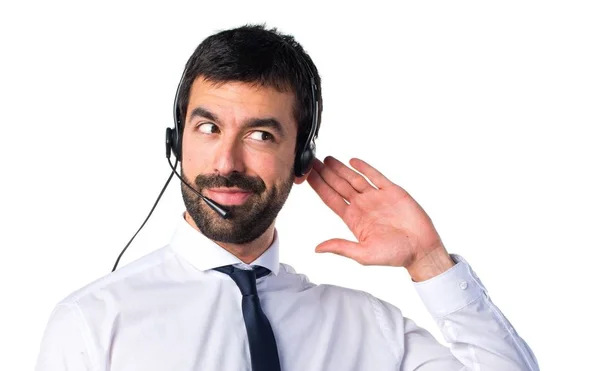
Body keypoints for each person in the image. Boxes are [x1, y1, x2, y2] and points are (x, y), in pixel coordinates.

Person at [35, 24, 539, 371]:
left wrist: (430, 262)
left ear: (301, 161)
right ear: (175, 145)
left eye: (261, 135)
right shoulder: (94, 323)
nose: (227, 162)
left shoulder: (369, 328)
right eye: (208, 127)